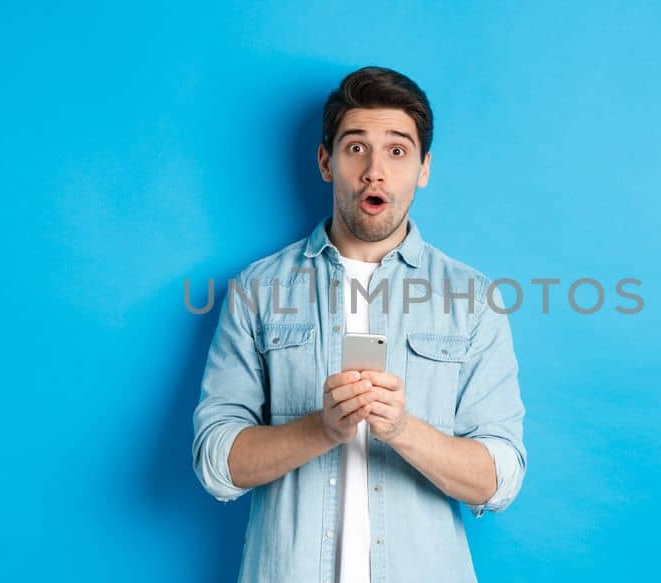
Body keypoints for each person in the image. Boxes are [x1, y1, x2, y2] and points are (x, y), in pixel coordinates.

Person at [192, 66, 527, 582]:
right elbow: (216, 462)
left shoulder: (474, 299)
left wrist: (402, 429)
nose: (375, 170)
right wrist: (322, 428)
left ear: (423, 168)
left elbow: (499, 479)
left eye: (397, 151)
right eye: (355, 148)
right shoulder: (257, 290)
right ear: (326, 162)